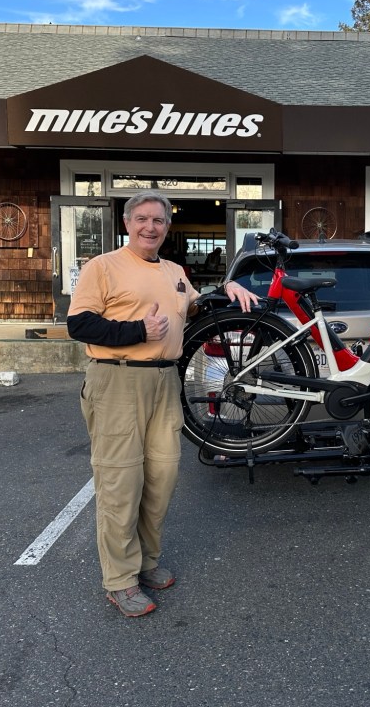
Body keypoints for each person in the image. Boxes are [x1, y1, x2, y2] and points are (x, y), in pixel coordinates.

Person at [67, 193, 258, 618]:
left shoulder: (174, 271)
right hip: (117, 379)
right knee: (120, 483)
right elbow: (78, 323)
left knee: (161, 477)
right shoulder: (103, 266)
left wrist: (226, 289)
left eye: (158, 220)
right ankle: (120, 580)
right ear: (127, 223)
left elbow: (195, 306)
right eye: (141, 219)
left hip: (165, 379)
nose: (149, 227)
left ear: (167, 227)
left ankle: (145, 562)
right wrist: (138, 330)